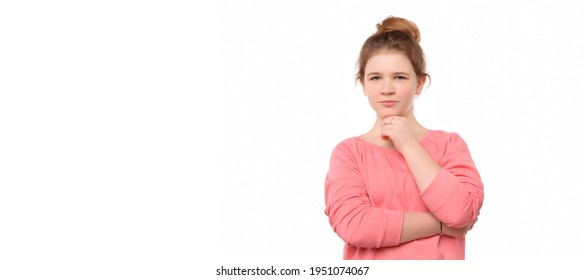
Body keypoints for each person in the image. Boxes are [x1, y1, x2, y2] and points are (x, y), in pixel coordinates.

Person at [324, 16, 484, 260]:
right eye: (376, 77)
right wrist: (439, 225)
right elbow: (355, 225)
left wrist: (408, 144)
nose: (387, 88)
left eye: (400, 77)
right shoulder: (349, 153)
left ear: (419, 83)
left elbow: (460, 212)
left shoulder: (449, 145)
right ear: (363, 85)